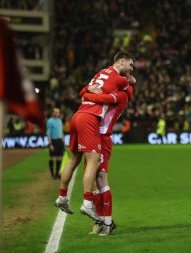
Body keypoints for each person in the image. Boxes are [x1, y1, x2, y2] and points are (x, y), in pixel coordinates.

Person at [54, 51, 134, 224]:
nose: (131, 70)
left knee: (73, 160)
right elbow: (128, 94)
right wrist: (130, 81)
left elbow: (83, 92)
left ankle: (62, 197)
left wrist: (85, 91)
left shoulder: (99, 73)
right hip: (90, 119)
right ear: (121, 62)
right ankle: (87, 203)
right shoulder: (120, 79)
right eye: (130, 65)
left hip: (76, 116)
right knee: (94, 161)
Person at [80, 78, 135, 236]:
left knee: (101, 179)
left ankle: (108, 222)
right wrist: (88, 88)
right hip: (93, 135)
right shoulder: (116, 91)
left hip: (103, 138)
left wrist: (87, 93)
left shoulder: (122, 95)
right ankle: (100, 221)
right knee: (93, 184)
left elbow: (99, 98)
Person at [46, 108, 65, 179]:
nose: (58, 114)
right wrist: (50, 144)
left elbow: (61, 132)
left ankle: (57, 174)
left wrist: (63, 142)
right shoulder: (50, 121)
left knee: (60, 158)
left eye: (58, 112)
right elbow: (48, 133)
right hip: (53, 141)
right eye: (56, 112)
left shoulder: (60, 121)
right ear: (53, 113)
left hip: (60, 141)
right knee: (52, 158)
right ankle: (52, 175)